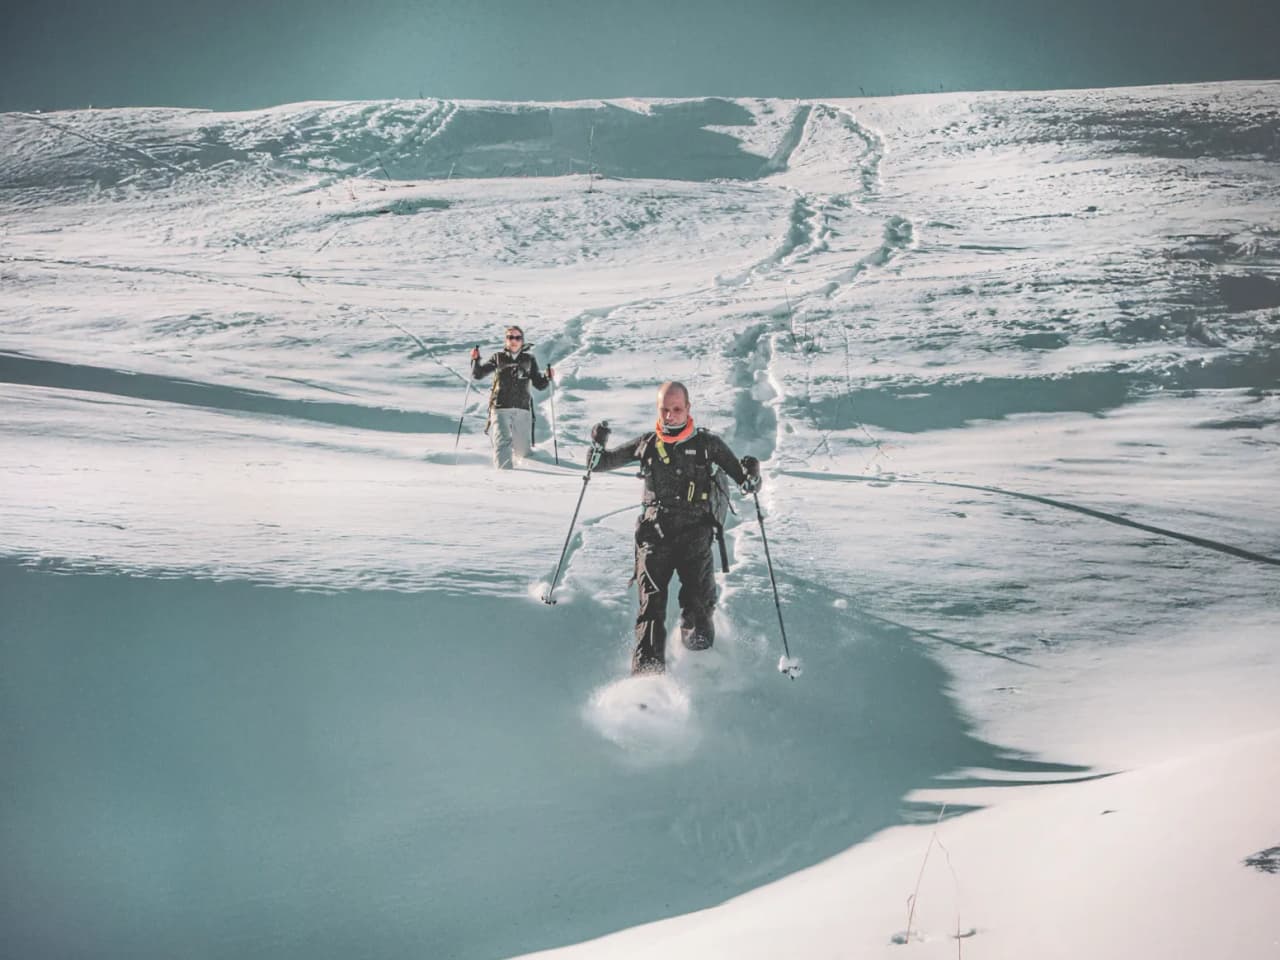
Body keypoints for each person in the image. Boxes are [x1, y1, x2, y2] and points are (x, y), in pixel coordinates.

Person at [589, 381, 762, 675]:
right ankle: (648, 679)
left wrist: (752, 474)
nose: (670, 416)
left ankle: (699, 669)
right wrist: (597, 444)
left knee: (698, 605)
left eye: (676, 409)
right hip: (654, 535)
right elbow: (599, 463)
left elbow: (746, 484)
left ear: (688, 408)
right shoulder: (646, 443)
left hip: (696, 535)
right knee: (651, 608)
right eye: (664, 410)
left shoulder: (708, 444)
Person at [470, 326, 554, 469]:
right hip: (500, 407)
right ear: (506, 340)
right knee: (503, 442)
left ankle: (527, 475)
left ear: (522, 341)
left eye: (517, 337)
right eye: (510, 337)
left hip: (522, 408)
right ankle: (505, 478)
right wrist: (476, 360)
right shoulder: (498, 357)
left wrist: (547, 377)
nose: (514, 340)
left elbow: (539, 384)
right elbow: (478, 374)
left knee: (523, 451)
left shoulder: (529, 359)